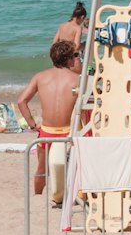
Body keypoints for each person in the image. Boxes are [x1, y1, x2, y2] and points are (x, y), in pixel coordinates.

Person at [17, 40, 83, 194]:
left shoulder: (40, 77)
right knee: (79, 165)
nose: (76, 58)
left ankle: (38, 195)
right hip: (70, 132)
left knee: (41, 168)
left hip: (47, 132)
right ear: (68, 59)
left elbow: (21, 101)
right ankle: (77, 194)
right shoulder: (77, 79)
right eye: (74, 55)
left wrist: (33, 125)